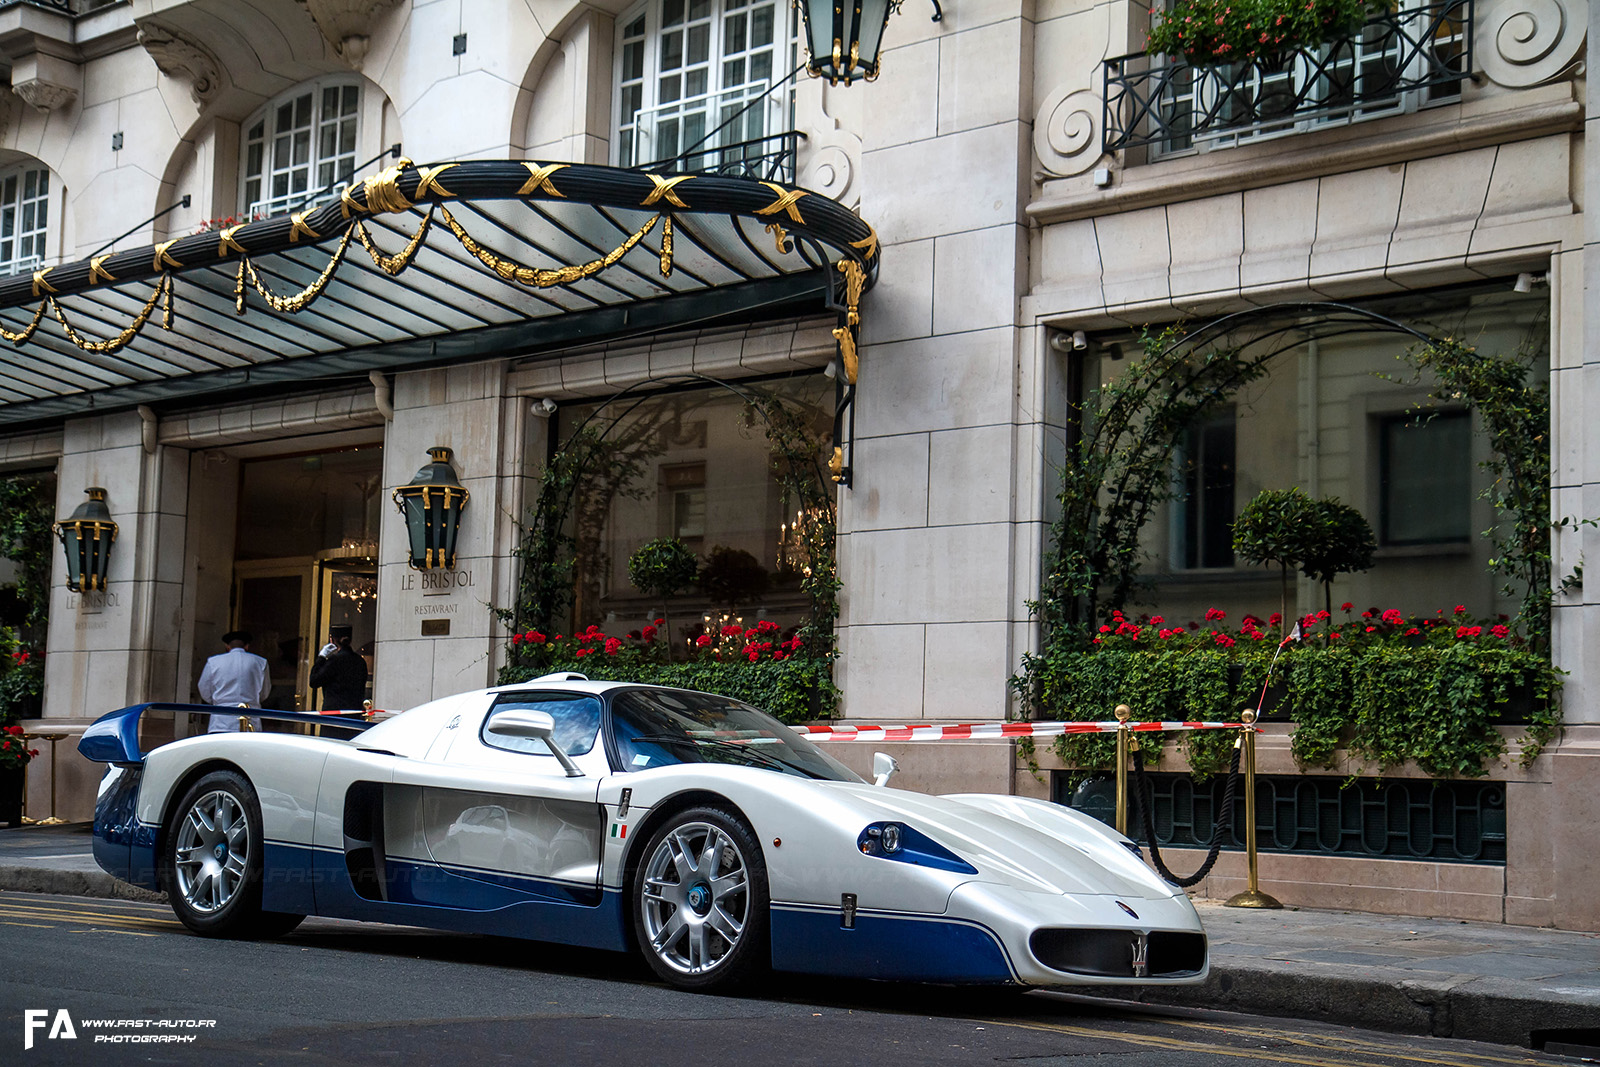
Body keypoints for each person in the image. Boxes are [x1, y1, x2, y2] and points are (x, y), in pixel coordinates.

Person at [197, 630, 269, 733]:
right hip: (250, 718)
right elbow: (264, 691)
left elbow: (204, 687)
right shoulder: (260, 662)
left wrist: (218, 701)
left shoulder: (213, 662)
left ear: (227, 646)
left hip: (221, 720)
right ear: (247, 646)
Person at [310, 624, 368, 710]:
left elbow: (314, 681)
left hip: (334, 713)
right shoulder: (360, 661)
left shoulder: (334, 661)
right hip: (354, 712)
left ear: (332, 640)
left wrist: (321, 657)